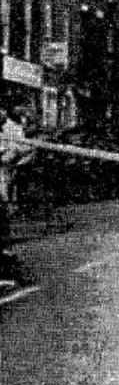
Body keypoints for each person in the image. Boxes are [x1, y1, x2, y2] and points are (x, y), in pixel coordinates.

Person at [0, 106, 35, 287]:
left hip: (3, 184)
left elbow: (25, 150)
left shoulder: (11, 129)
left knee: (3, 226)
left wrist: (11, 157)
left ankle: (8, 270)